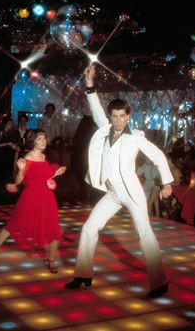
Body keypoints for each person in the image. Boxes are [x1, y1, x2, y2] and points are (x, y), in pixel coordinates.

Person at [64, 65, 174, 298]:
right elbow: (95, 110)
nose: (118, 120)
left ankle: (160, 282)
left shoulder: (135, 138)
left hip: (132, 193)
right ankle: (83, 274)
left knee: (145, 234)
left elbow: (157, 156)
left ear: (128, 116)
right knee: (89, 227)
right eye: (114, 116)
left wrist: (166, 183)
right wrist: (90, 85)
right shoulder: (104, 130)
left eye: (122, 116)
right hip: (112, 193)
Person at [0, 129, 66, 273]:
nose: (44, 141)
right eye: (39, 139)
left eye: (44, 138)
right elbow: (18, 181)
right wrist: (20, 170)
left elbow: (45, 176)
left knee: (53, 227)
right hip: (30, 197)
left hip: (47, 197)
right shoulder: (26, 159)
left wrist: (57, 172)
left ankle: (51, 259)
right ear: (32, 141)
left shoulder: (44, 157)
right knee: (14, 224)